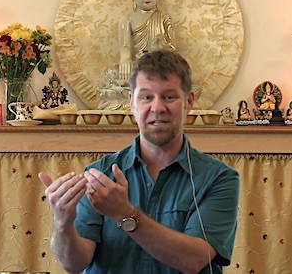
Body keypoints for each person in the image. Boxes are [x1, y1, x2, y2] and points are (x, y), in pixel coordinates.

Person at [39, 50, 240, 274]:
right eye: (146, 97)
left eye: (169, 96)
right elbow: (74, 264)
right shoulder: (99, 174)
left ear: (189, 102)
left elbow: (193, 260)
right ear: (131, 103)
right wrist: (62, 222)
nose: (157, 108)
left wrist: (124, 213)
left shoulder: (220, 178)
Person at [117, 0, 176, 86]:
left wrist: (161, 47)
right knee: (112, 73)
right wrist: (125, 62)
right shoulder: (126, 20)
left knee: (178, 72)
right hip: (137, 64)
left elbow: (172, 49)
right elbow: (125, 53)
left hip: (160, 64)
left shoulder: (164, 18)